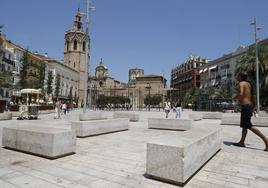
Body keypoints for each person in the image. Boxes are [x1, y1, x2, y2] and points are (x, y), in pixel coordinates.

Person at [233, 72, 268, 151]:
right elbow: (253, 96)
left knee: (248, 125)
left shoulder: (241, 83)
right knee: (244, 125)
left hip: (245, 106)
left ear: (240, 77)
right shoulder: (249, 84)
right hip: (250, 105)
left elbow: (241, 94)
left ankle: (266, 140)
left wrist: (235, 97)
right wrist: (254, 107)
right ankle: (241, 142)